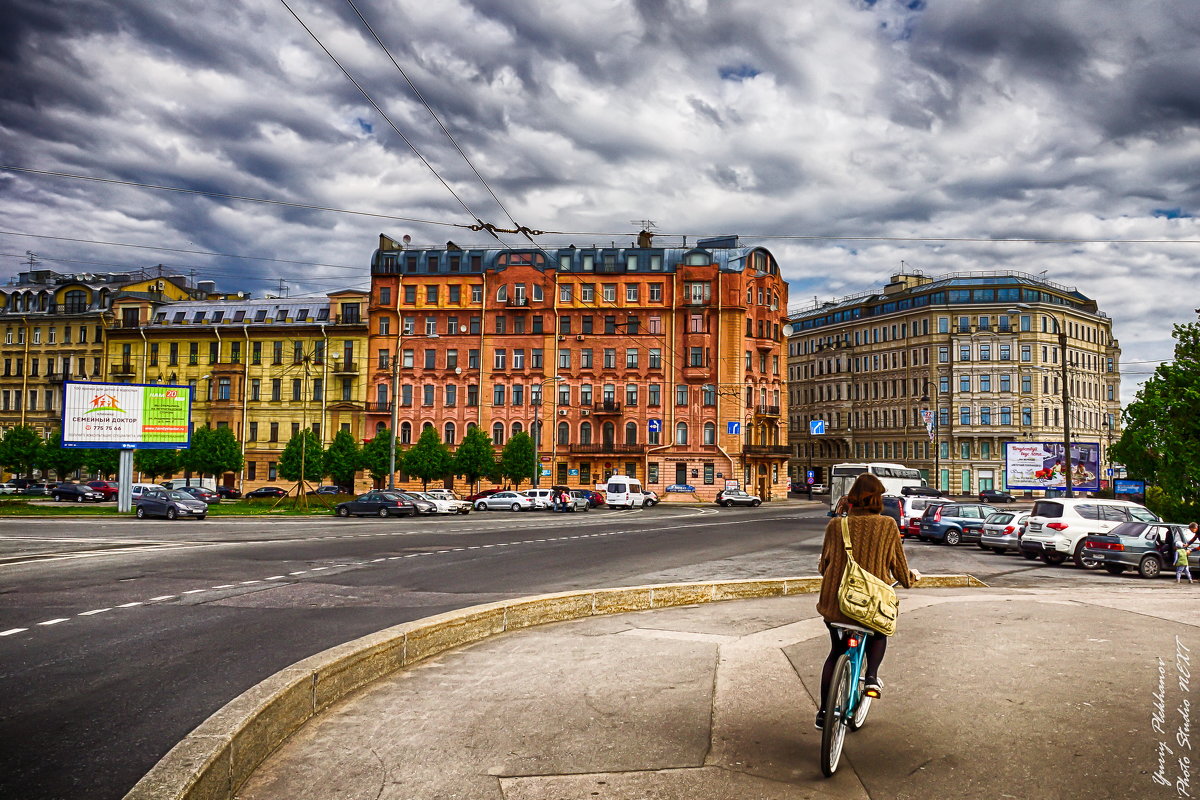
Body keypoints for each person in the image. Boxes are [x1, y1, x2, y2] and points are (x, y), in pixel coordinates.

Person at [815, 473, 920, 730]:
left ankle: (824, 712)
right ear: (877, 499)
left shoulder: (836, 526)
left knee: (836, 652)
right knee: (879, 631)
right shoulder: (887, 525)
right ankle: (871, 677)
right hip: (870, 605)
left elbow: (823, 566)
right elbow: (899, 569)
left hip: (836, 603)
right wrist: (911, 579)